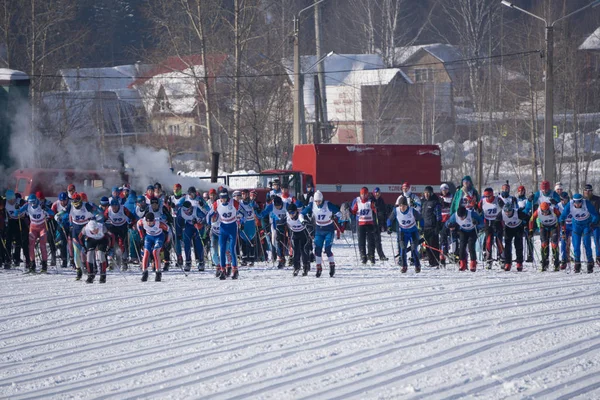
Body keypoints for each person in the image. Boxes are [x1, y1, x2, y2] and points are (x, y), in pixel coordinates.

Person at [301, 190, 341, 278]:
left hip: (329, 229)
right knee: (317, 250)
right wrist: (302, 221)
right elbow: (301, 213)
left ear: (322, 199)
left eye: (319, 201)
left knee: (327, 249)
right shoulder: (312, 205)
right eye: (316, 201)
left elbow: (339, 213)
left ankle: (332, 265)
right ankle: (318, 268)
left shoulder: (328, 204)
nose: (318, 203)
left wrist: (335, 216)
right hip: (319, 229)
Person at [208, 189, 244, 280]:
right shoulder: (217, 203)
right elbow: (208, 215)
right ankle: (222, 270)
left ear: (227, 197)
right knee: (222, 250)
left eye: (224, 198)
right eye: (221, 198)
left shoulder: (234, 203)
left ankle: (235, 270)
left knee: (232, 249)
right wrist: (208, 224)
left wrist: (242, 222)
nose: (223, 200)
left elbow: (244, 213)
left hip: (232, 227)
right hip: (223, 228)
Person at [560, 193, 599, 273]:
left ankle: (590, 262)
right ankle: (577, 263)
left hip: (586, 225)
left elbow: (595, 215)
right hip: (576, 226)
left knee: (587, 244)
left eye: (579, 202)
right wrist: (561, 222)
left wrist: (593, 222)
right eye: (575, 202)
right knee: (576, 245)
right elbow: (562, 216)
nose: (577, 204)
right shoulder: (570, 204)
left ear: (582, 201)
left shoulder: (586, 203)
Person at [17, 194, 54, 273]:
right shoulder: (27, 205)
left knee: (42, 246)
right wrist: (17, 209)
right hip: (33, 227)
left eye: (34, 202)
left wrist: (46, 209)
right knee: (31, 246)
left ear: (36, 200)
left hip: (42, 227)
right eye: (31, 202)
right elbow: (18, 212)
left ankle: (44, 265)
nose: (33, 204)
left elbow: (52, 213)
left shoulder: (41, 205)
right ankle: (32, 265)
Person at [387, 196, 423, 273]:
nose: (402, 207)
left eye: (403, 206)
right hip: (403, 232)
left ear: (407, 205)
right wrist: (389, 227)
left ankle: (417, 265)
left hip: (413, 232)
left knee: (414, 249)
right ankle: (404, 266)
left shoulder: (412, 210)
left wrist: (421, 228)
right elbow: (389, 219)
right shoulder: (396, 211)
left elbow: (420, 218)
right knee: (403, 249)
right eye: (400, 206)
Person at [445, 206, 483, 272]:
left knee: (471, 246)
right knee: (462, 247)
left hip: (472, 231)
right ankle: (463, 264)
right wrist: (449, 224)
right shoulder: (455, 216)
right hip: (463, 231)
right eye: (460, 217)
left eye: (463, 216)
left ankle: (473, 264)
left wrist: (477, 223)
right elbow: (447, 223)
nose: (461, 218)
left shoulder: (472, 214)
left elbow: (482, 223)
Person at [104, 198, 136, 270]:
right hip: (113, 227)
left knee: (123, 244)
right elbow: (103, 219)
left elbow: (132, 217)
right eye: (113, 206)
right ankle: (114, 261)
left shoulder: (123, 209)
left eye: (116, 206)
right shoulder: (108, 210)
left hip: (122, 227)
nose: (114, 207)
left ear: (118, 205)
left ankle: (124, 261)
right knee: (113, 244)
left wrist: (131, 224)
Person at [137, 213, 170, 282]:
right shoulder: (142, 222)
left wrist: (167, 241)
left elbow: (168, 230)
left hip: (159, 236)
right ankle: (144, 272)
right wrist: (142, 237)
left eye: (151, 221)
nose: (149, 223)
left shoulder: (159, 223)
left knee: (155, 252)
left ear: (154, 220)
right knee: (146, 253)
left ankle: (158, 272)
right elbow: (138, 226)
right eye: (148, 221)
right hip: (149, 237)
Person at [529, 201, 561, 271]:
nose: (545, 213)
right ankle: (544, 263)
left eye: (546, 211)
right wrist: (531, 230)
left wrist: (563, 228)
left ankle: (556, 263)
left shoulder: (553, 209)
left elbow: (561, 217)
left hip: (554, 226)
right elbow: (531, 220)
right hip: (543, 227)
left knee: (554, 244)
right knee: (544, 244)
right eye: (543, 211)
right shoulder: (538, 211)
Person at [176, 200, 207, 271]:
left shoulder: (196, 209)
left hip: (198, 226)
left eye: (190, 209)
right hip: (189, 226)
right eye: (186, 210)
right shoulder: (180, 211)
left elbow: (204, 218)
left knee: (198, 243)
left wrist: (199, 221)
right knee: (186, 242)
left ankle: (201, 262)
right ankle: (188, 262)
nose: (189, 211)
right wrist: (179, 233)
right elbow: (178, 222)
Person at [260, 195, 289, 268]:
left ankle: (288, 257)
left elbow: (292, 211)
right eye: (276, 206)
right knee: (276, 242)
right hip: (275, 227)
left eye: (279, 205)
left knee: (284, 242)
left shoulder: (286, 205)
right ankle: (280, 258)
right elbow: (262, 214)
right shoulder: (271, 206)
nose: (278, 207)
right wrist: (256, 210)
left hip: (285, 225)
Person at [351, 187, 377, 265]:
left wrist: (376, 207)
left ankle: (371, 255)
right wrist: (349, 210)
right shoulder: (357, 201)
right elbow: (353, 211)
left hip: (369, 223)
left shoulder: (370, 201)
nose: (363, 196)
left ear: (367, 194)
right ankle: (363, 256)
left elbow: (375, 209)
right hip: (360, 224)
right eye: (362, 194)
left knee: (370, 240)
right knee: (361, 241)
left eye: (365, 194)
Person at [479, 188, 505, 269]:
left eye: (489, 196)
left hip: (497, 222)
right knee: (489, 240)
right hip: (488, 222)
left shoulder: (498, 200)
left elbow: (505, 209)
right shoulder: (482, 201)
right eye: (486, 196)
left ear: (492, 194)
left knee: (498, 240)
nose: (487, 198)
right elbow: (478, 210)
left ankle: (501, 258)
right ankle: (488, 259)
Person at [500, 200, 529, 271]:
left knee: (518, 245)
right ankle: (508, 263)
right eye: (506, 211)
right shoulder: (502, 213)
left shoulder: (518, 212)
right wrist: (497, 229)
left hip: (518, 227)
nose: (507, 213)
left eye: (509, 211)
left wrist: (526, 225)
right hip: (508, 228)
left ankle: (519, 263)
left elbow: (527, 218)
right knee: (507, 246)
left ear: (512, 209)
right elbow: (496, 222)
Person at [5, 190, 29, 268]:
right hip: (11, 221)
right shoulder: (5, 202)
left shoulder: (20, 201)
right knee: (8, 240)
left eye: (12, 199)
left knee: (19, 240)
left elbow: (27, 205)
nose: (11, 202)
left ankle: (17, 259)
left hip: (20, 220)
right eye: (9, 200)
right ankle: (8, 260)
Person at [420, 186, 442, 267]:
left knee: (434, 245)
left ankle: (436, 261)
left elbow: (438, 216)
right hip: (426, 227)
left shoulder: (435, 202)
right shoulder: (424, 202)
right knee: (427, 246)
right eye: (425, 193)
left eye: (428, 193)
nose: (426, 195)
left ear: (431, 193)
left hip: (433, 227)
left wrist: (438, 226)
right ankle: (431, 261)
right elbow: (422, 215)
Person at [239, 189, 260, 266]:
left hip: (251, 222)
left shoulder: (252, 202)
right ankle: (244, 258)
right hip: (244, 222)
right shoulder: (240, 203)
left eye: (247, 194)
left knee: (251, 240)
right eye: (243, 194)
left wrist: (256, 208)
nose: (245, 196)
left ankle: (252, 258)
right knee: (243, 240)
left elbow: (258, 210)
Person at [51, 192, 71, 268]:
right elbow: (52, 214)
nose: (63, 202)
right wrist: (56, 218)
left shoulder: (71, 204)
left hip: (70, 224)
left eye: (64, 200)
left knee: (72, 242)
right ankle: (64, 260)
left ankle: (73, 260)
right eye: (61, 200)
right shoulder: (56, 204)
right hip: (61, 225)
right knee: (62, 242)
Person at [583, 184, 600, 266]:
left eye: (589, 190)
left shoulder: (597, 199)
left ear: (591, 191)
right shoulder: (582, 200)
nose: (587, 192)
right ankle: (590, 258)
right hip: (585, 224)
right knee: (586, 242)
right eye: (586, 190)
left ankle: (598, 257)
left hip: (596, 223)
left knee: (597, 240)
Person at [516, 185, 534, 262]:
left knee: (528, 238)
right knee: (518, 240)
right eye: (519, 191)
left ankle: (530, 255)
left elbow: (528, 210)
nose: (521, 192)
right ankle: (519, 256)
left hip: (526, 221)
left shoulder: (526, 200)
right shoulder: (516, 200)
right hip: (518, 222)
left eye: (522, 191)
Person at [439, 183, 454, 265]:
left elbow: (453, 206)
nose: (444, 191)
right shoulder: (439, 198)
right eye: (443, 190)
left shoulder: (452, 197)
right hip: (442, 221)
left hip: (450, 220)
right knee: (443, 239)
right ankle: (442, 256)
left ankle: (453, 254)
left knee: (452, 238)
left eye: (446, 190)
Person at [371, 187, 388, 261]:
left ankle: (380, 255)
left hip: (378, 223)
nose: (377, 194)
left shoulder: (381, 200)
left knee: (378, 240)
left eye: (378, 193)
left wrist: (384, 224)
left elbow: (384, 212)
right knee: (372, 240)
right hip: (371, 223)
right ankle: (371, 255)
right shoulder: (371, 200)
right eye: (376, 192)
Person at [557, 192, 572, 270]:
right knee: (563, 241)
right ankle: (563, 259)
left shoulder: (571, 204)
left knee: (573, 241)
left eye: (564, 199)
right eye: (561, 199)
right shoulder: (558, 205)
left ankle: (573, 257)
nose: (563, 201)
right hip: (564, 225)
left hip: (572, 224)